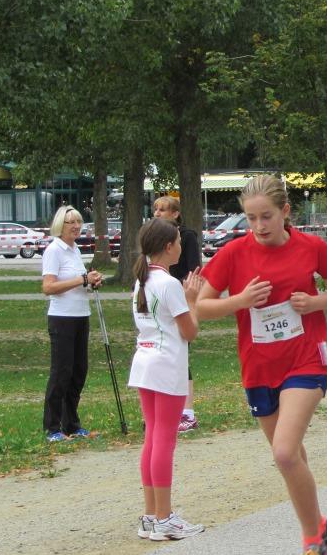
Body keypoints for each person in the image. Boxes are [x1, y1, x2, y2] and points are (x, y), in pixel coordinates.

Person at [197, 175, 327, 555]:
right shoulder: (233, 253)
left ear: (285, 211)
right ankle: (322, 528)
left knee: (283, 451)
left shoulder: (310, 247)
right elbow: (202, 306)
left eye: (266, 216)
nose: (259, 226)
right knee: (291, 456)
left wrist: (314, 303)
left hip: (306, 359)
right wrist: (240, 301)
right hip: (259, 367)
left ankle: (312, 540)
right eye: (251, 218)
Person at [129, 219, 206, 541]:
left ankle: (151, 515)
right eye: (178, 241)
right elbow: (189, 332)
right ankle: (164, 518)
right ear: (168, 246)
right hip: (167, 365)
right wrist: (192, 300)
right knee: (164, 440)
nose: (181, 246)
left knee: (152, 437)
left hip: (145, 362)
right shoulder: (169, 284)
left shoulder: (141, 280)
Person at [40, 206, 104, 442]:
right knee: (61, 372)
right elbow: (48, 287)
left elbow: (78, 283)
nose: (76, 226)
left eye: (79, 222)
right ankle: (52, 427)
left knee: (79, 371)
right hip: (62, 318)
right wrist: (82, 279)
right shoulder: (54, 250)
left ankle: (71, 424)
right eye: (71, 222)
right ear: (60, 225)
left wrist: (90, 283)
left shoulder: (75, 249)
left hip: (80, 315)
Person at [153, 196, 204, 433]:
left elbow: (194, 269)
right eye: (155, 209)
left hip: (179, 296)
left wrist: (183, 291)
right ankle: (165, 411)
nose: (157, 213)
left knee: (180, 353)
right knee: (161, 355)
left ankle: (187, 412)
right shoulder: (154, 236)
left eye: (162, 209)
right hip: (159, 298)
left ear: (175, 214)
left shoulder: (187, 236)